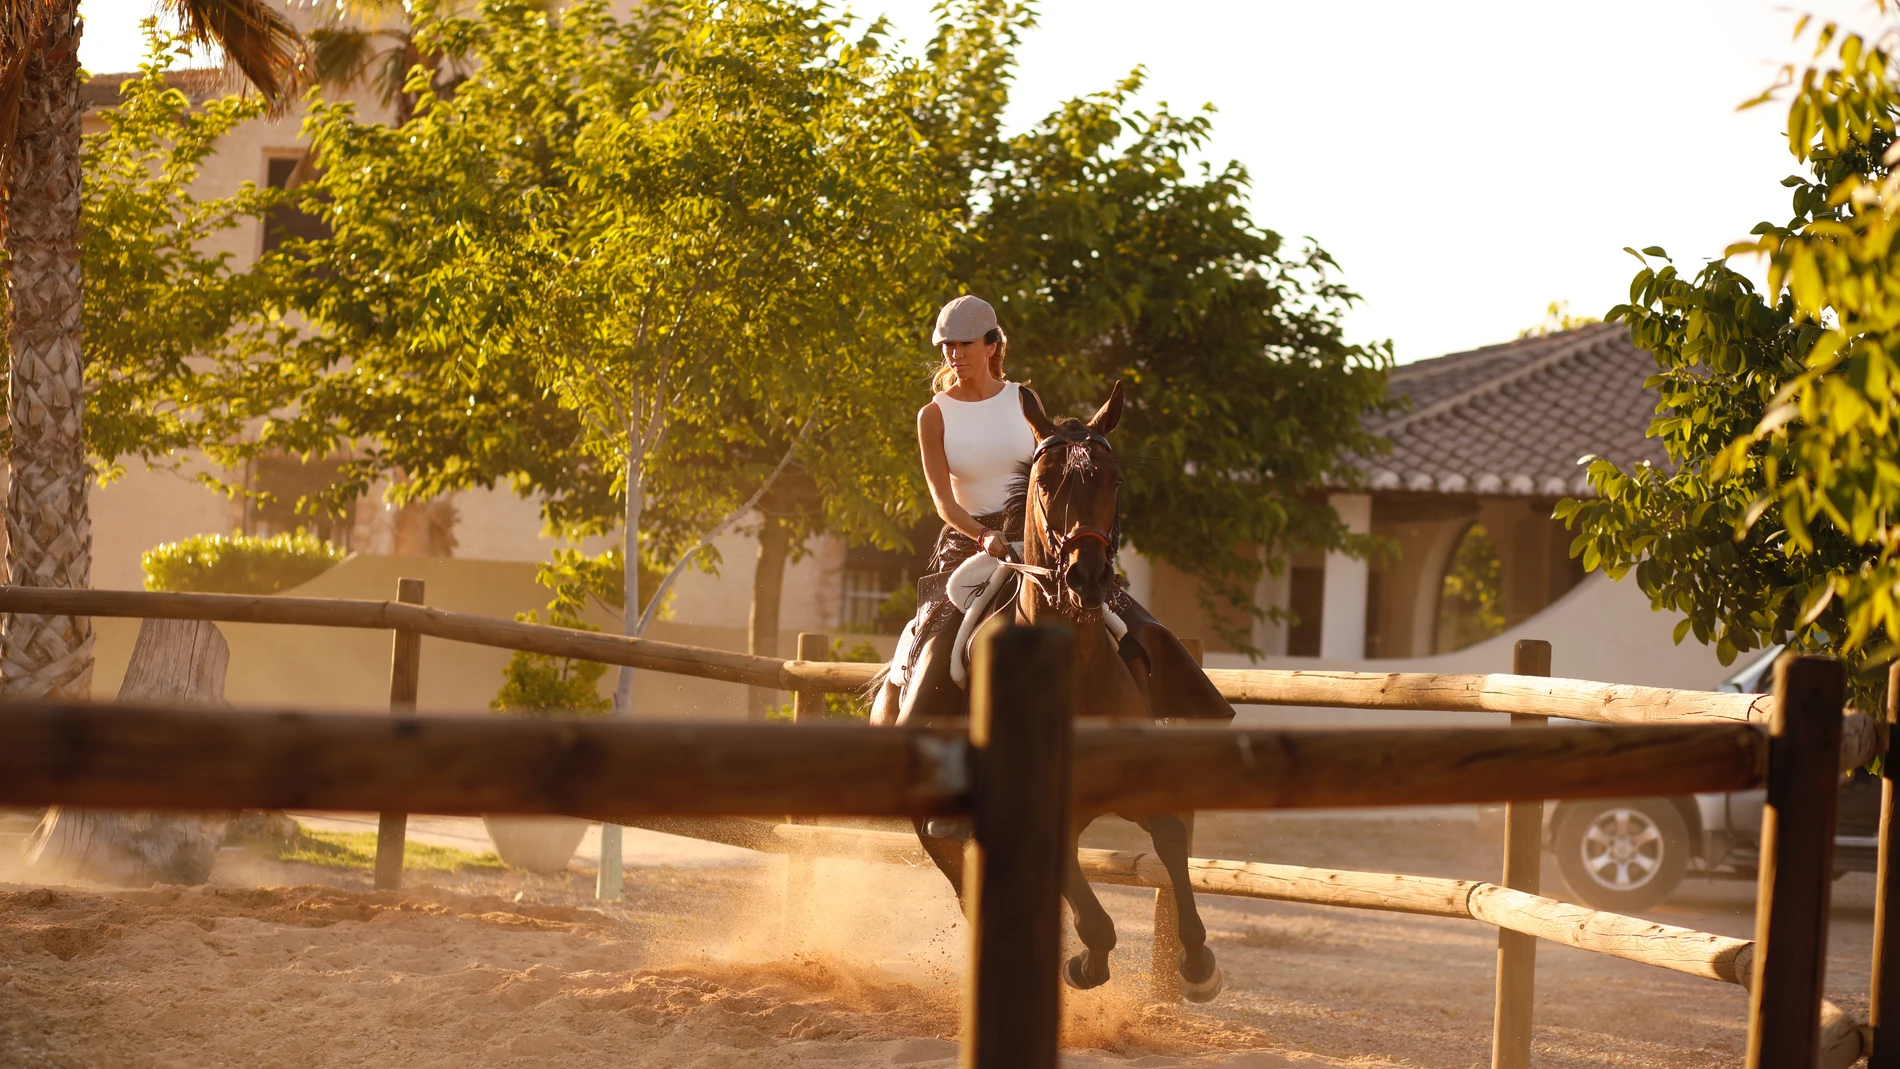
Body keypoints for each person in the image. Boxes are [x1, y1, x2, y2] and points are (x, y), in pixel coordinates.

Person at [872, 294, 1232, 730]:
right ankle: (906, 744)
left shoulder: (1023, 399)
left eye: (965, 344)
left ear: (992, 346)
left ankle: (1177, 732)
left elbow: (1050, 474)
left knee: (1135, 625)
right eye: (947, 345)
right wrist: (983, 536)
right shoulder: (934, 415)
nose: (954, 354)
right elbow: (943, 503)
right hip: (968, 546)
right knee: (936, 647)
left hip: (1039, 539)